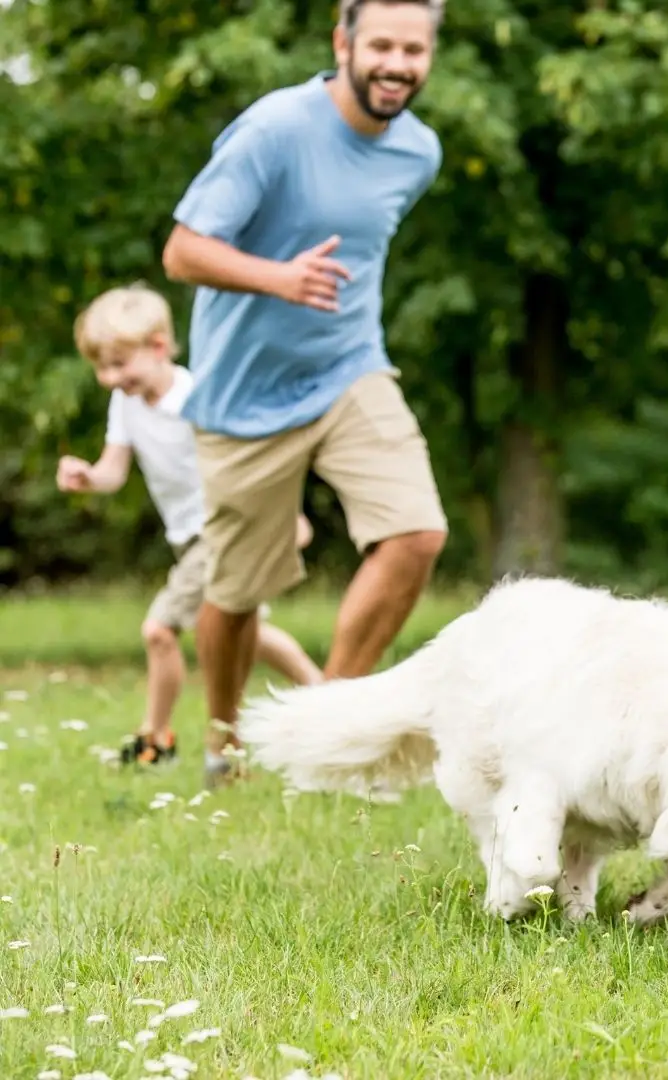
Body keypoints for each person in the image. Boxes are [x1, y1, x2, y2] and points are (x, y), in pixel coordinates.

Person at [161, 0, 448, 786]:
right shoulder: (275, 130)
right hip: (242, 396)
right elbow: (182, 251)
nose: (397, 63)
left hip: (351, 368)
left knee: (416, 535)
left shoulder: (418, 152)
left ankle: (325, 724)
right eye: (382, 44)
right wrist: (278, 277)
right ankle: (224, 745)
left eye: (413, 49)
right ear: (343, 43)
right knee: (235, 594)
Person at [58, 283, 323, 766]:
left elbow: (250, 462)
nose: (108, 377)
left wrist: (286, 518)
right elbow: (114, 471)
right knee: (245, 630)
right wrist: (88, 477)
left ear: (158, 347)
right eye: (100, 367)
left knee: (159, 630)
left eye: (118, 364)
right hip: (186, 538)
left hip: (220, 528)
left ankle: (156, 739)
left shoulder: (198, 397)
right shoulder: (127, 403)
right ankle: (329, 698)